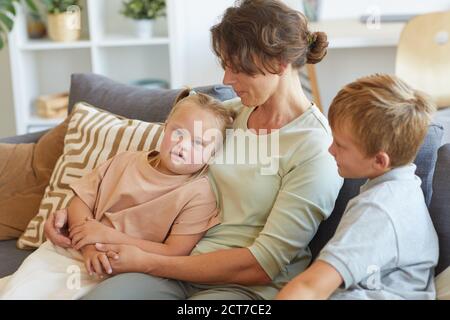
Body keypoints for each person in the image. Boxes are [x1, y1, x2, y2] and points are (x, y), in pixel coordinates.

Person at [44, 0, 343, 300]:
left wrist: (149, 261)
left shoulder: (316, 150)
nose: (226, 80)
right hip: (170, 271)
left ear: (279, 63)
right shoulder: (227, 116)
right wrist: (75, 218)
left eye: (238, 68)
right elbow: (153, 176)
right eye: (225, 65)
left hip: (244, 287)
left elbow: (263, 264)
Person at [0, 89, 233, 299]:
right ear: (165, 126)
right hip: (75, 250)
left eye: (199, 143)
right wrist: (89, 245)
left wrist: (106, 236)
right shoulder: (124, 161)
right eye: (178, 132)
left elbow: (175, 251)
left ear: (212, 155)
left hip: (124, 266)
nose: (183, 146)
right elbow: (80, 200)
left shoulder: (199, 193)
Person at [276, 74, 439, 300]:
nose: (330, 150)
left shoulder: (378, 210)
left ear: (380, 161)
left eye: (341, 145)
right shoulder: (403, 186)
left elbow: (310, 288)